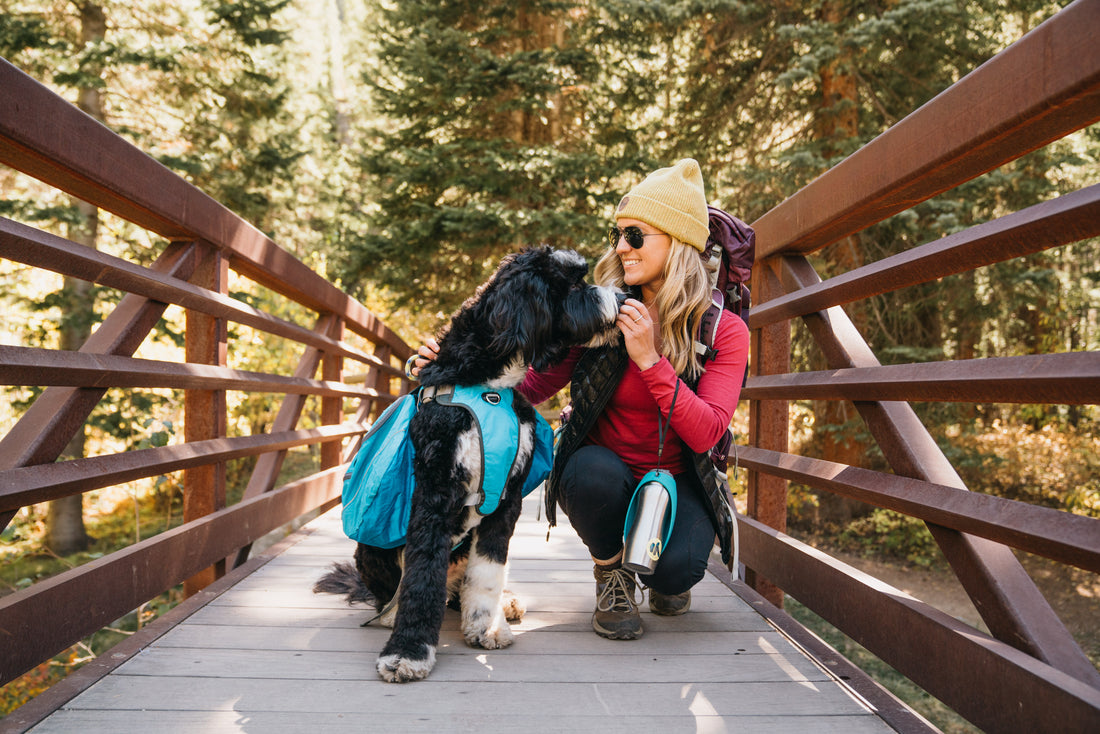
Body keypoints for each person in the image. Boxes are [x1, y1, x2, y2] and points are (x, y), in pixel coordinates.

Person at [408, 159, 749, 640]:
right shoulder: (600, 315)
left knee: (677, 571)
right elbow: (528, 386)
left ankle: (660, 569)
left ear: (678, 243)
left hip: (678, 477)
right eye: (618, 234)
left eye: (636, 235)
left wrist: (651, 361)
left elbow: (707, 431)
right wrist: (449, 371)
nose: (621, 247)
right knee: (588, 476)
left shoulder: (722, 331)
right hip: (601, 469)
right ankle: (611, 572)